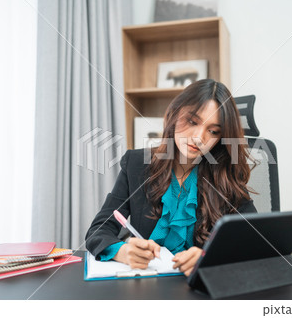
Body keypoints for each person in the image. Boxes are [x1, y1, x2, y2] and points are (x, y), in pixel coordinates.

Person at [85, 79, 257, 277]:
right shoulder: (135, 164)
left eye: (213, 131)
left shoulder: (225, 176)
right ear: (174, 114)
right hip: (146, 288)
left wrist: (209, 257)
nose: (199, 137)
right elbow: (99, 229)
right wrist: (121, 251)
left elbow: (255, 241)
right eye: (192, 121)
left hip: (200, 291)